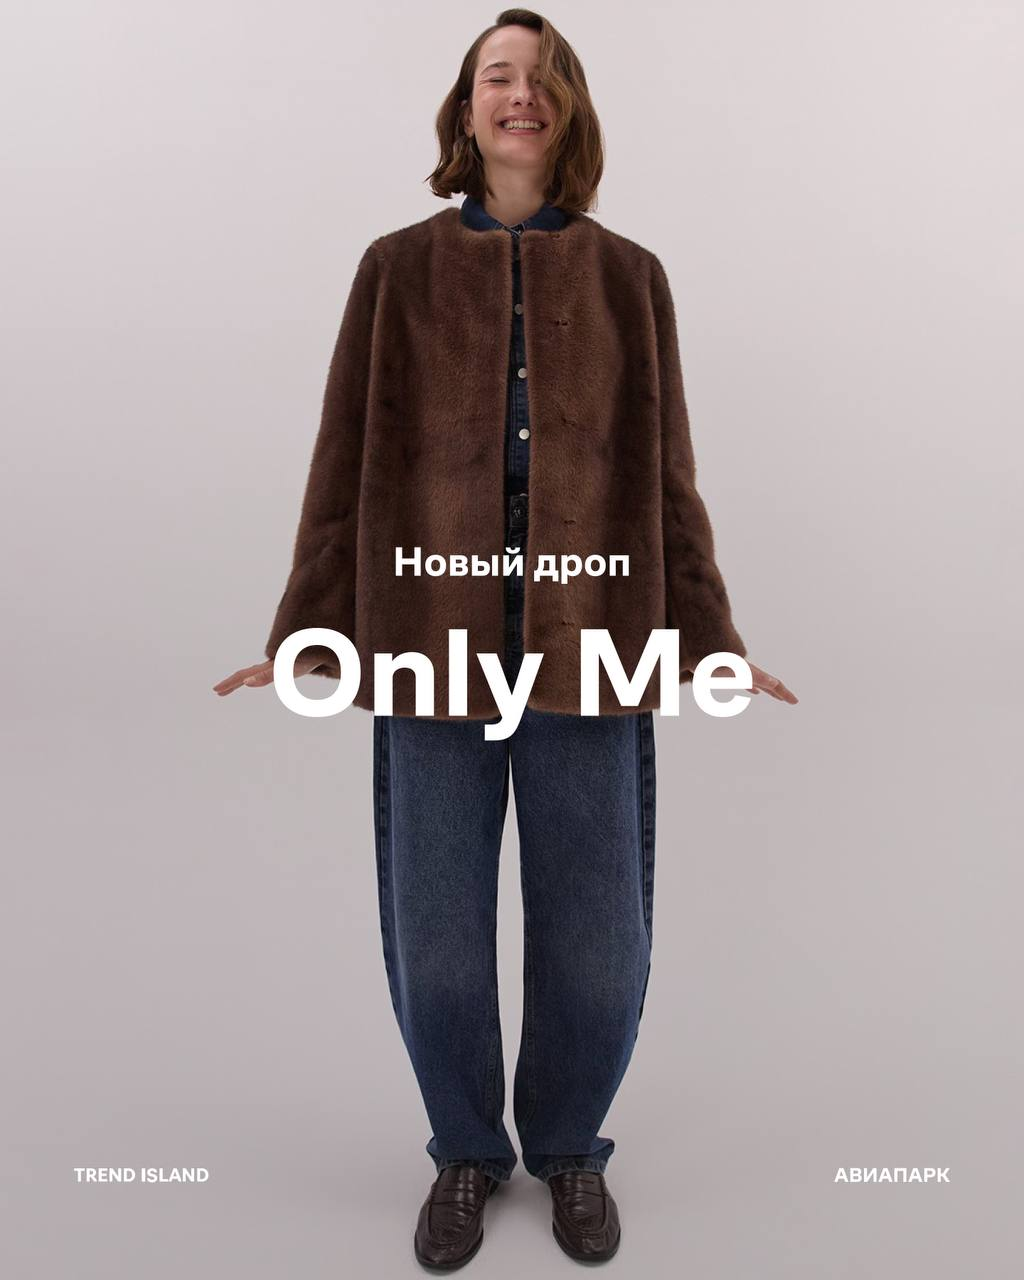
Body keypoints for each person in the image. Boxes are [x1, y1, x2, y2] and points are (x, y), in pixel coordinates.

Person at [215, 7, 797, 1269]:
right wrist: (311, 628)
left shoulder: (631, 277)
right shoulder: (395, 270)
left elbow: (667, 477)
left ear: (569, 107)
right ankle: (467, 1153)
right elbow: (343, 459)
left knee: (598, 943)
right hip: (427, 651)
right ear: (465, 108)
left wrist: (707, 636)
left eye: (540, 78)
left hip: (598, 647)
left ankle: (572, 1148)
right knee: (436, 938)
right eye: (497, 75)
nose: (518, 94)